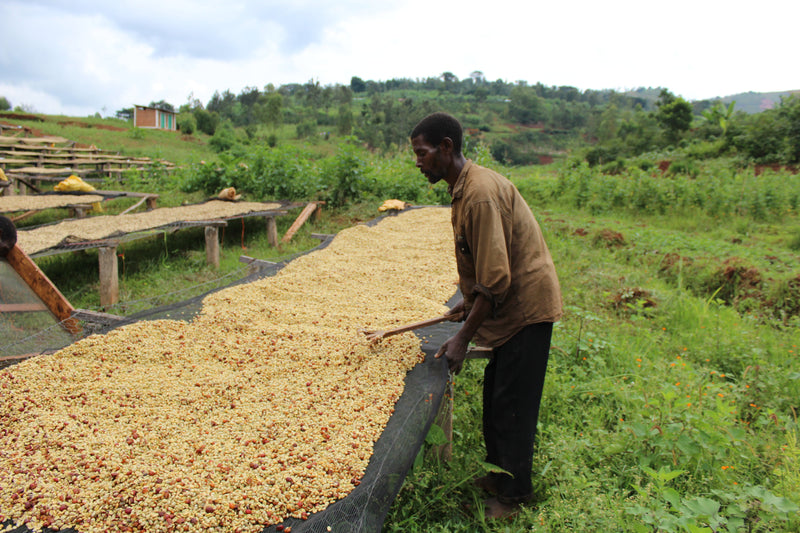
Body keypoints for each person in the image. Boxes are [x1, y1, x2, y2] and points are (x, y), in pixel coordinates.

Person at [410, 112, 562, 519]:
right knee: (497, 397)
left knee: (513, 404)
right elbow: (485, 273)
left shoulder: (478, 193)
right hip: (510, 305)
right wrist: (468, 303)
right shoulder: (464, 189)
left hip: (525, 308)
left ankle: (513, 498)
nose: (418, 162)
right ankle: (499, 477)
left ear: (445, 147)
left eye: (422, 153)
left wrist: (462, 337)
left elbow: (496, 280)